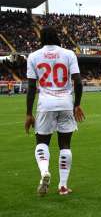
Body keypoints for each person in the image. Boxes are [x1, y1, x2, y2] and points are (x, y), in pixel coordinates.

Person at [24, 26, 85, 196]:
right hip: (66, 102)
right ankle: (63, 186)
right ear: (57, 36)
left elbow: (30, 87)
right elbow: (78, 82)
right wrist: (77, 104)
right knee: (65, 144)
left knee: (42, 142)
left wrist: (29, 113)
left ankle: (44, 171)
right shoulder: (68, 54)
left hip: (45, 104)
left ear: (41, 38)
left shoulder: (34, 56)